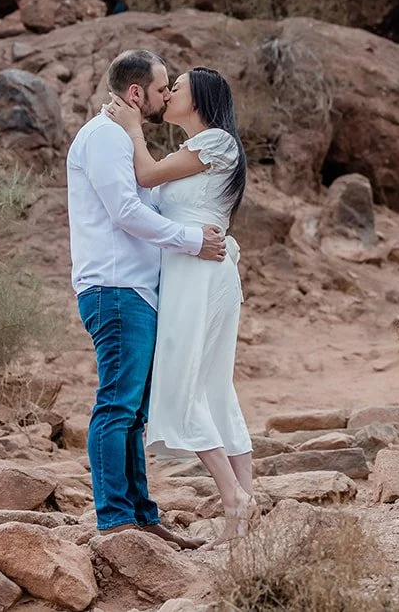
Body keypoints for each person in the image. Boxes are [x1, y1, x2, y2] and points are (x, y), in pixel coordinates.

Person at [66, 48, 226, 550]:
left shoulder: (121, 139)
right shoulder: (104, 137)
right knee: (116, 406)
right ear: (136, 94)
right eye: (161, 89)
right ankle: (115, 521)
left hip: (135, 291)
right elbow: (126, 213)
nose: (165, 97)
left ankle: (142, 514)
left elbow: (145, 199)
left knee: (133, 411)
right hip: (115, 289)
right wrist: (192, 241)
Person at [104, 65, 255, 543]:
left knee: (184, 380)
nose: (167, 94)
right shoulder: (193, 149)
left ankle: (234, 496)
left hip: (198, 270)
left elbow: (145, 175)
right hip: (191, 265)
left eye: (178, 89)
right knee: (209, 383)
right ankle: (242, 511)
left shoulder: (217, 142)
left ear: (202, 99)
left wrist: (130, 127)